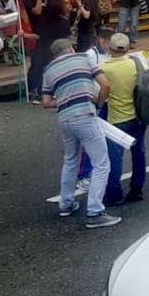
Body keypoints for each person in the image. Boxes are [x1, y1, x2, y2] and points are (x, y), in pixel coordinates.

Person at [43, 38, 120, 228]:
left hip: (65, 119)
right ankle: (95, 212)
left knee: (71, 160)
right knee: (101, 163)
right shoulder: (85, 58)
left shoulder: (49, 69)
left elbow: (46, 102)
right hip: (85, 115)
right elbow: (106, 85)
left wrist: (63, 100)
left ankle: (66, 204)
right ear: (70, 48)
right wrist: (98, 103)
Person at [101, 33, 148, 206]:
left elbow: (102, 90)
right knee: (139, 153)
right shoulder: (134, 64)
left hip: (116, 119)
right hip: (137, 116)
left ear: (110, 48)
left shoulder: (105, 68)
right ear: (128, 48)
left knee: (114, 158)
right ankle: (137, 189)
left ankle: (114, 194)